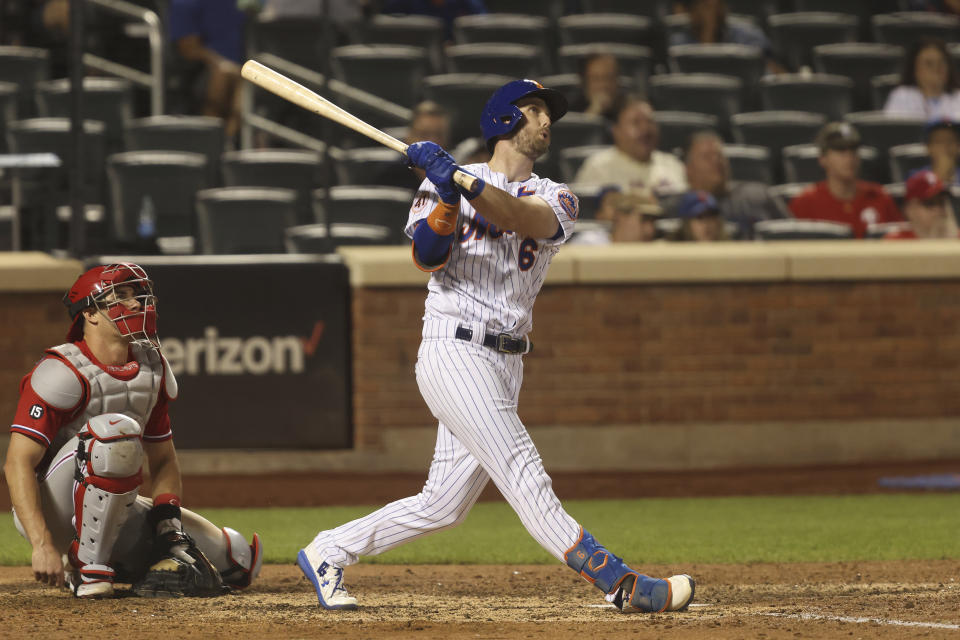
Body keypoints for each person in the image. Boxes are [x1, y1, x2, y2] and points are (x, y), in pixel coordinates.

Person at [297, 79, 696, 614]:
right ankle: (619, 582)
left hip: (507, 362)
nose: (546, 121)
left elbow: (516, 217)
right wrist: (442, 194)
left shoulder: (559, 196)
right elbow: (428, 257)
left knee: (443, 506)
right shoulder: (449, 182)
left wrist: (457, 182)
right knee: (520, 466)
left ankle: (330, 549)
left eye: (548, 113)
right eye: (533, 111)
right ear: (504, 120)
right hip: (453, 349)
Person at [5, 263, 262, 598]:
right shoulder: (61, 371)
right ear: (91, 314)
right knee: (114, 432)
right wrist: (40, 543)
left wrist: (168, 528)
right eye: (121, 297)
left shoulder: (150, 367)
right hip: (54, 509)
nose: (137, 303)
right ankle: (88, 571)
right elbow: (17, 463)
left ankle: (117, 562)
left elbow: (164, 461)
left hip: (111, 502)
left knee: (236, 559)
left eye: (138, 294)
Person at [789, 122, 902, 238]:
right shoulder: (805, 202)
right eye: (840, 150)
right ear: (823, 159)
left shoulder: (879, 196)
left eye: (853, 150)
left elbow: (901, 242)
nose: (849, 157)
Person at [573, 94, 688, 195]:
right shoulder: (598, 168)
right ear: (616, 131)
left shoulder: (673, 165)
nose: (645, 129)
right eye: (636, 123)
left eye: (650, 121)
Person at [681, 130, 784, 238]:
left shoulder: (759, 195)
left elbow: (792, 236)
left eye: (719, 155)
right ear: (688, 169)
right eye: (707, 156)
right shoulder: (677, 207)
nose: (716, 161)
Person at [169, 0, 248, 139]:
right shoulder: (185, 3)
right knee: (223, 75)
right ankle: (211, 142)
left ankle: (227, 143)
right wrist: (220, 63)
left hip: (244, 68)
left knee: (250, 79)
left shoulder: (243, 4)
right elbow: (188, 48)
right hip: (200, 70)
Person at [670, 0, 783, 72]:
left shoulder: (749, 37)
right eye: (702, 5)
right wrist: (707, 33)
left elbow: (774, 75)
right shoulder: (679, 44)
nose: (708, 9)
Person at [884, 37, 960, 121]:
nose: (937, 68)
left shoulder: (957, 97)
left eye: (941, 62)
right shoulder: (901, 96)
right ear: (915, 69)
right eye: (929, 63)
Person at [887, 170, 960, 239]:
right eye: (930, 203)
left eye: (941, 203)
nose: (939, 209)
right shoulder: (897, 243)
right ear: (910, 210)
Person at [568, 53, 624, 122]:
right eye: (596, 79)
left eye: (609, 78)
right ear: (585, 82)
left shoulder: (628, 106)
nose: (603, 85)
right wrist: (593, 112)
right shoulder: (570, 111)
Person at [912, 119, 960, 185]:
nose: (945, 146)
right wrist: (940, 175)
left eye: (950, 141)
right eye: (939, 142)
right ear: (928, 148)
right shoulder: (916, 176)